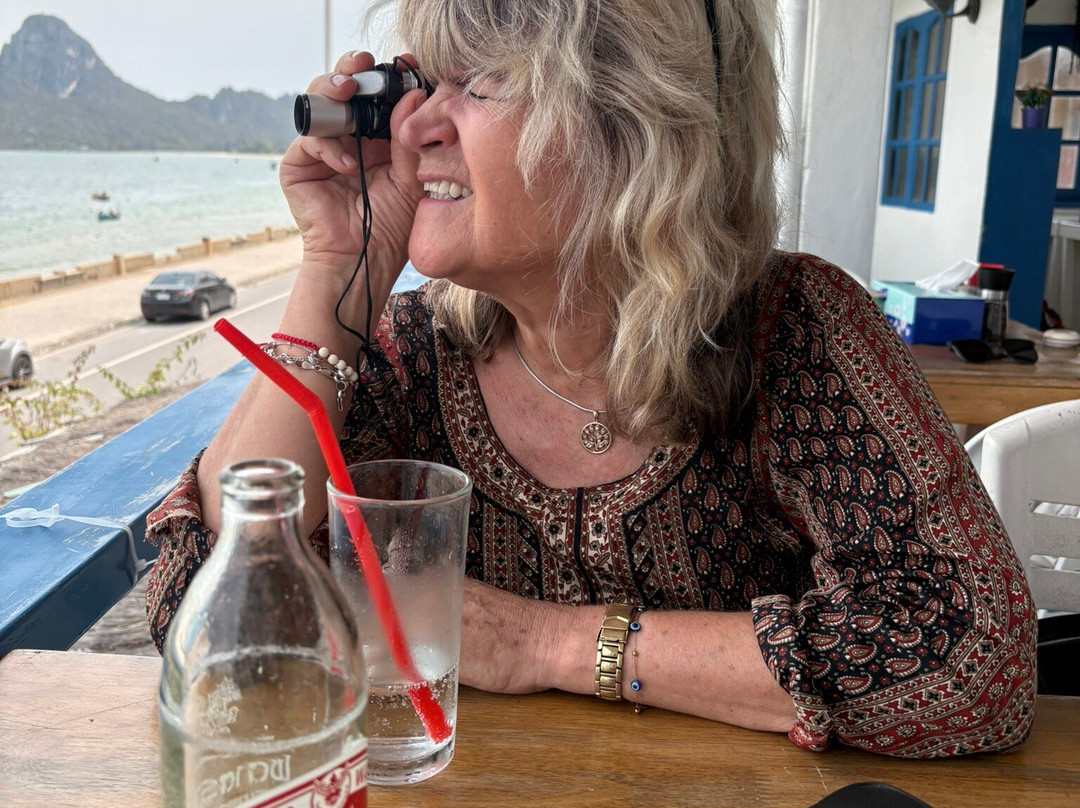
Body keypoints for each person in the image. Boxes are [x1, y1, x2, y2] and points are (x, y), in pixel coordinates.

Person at [145, 0, 1036, 758]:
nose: (413, 128)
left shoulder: (793, 331)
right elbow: (211, 612)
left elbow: (974, 658)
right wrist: (336, 267)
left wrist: (544, 644)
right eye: (420, 83)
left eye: (478, 82)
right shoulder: (408, 352)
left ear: (634, 123)